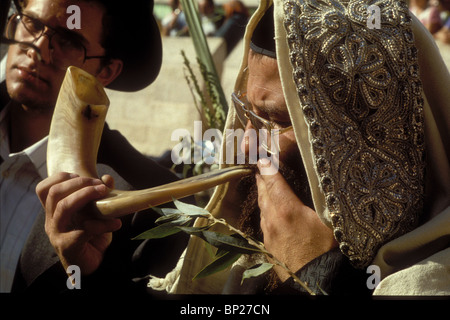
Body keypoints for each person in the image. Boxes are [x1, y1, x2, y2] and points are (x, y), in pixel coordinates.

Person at [148, 0, 450, 295]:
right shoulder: (250, 259)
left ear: (369, 140)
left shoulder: (432, 280)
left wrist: (312, 275)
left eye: (277, 120)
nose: (246, 145)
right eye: (246, 112)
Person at [1, 0, 189, 294]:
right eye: (33, 24)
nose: (37, 47)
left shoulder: (149, 208)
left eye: (68, 41)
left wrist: (83, 274)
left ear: (106, 72)